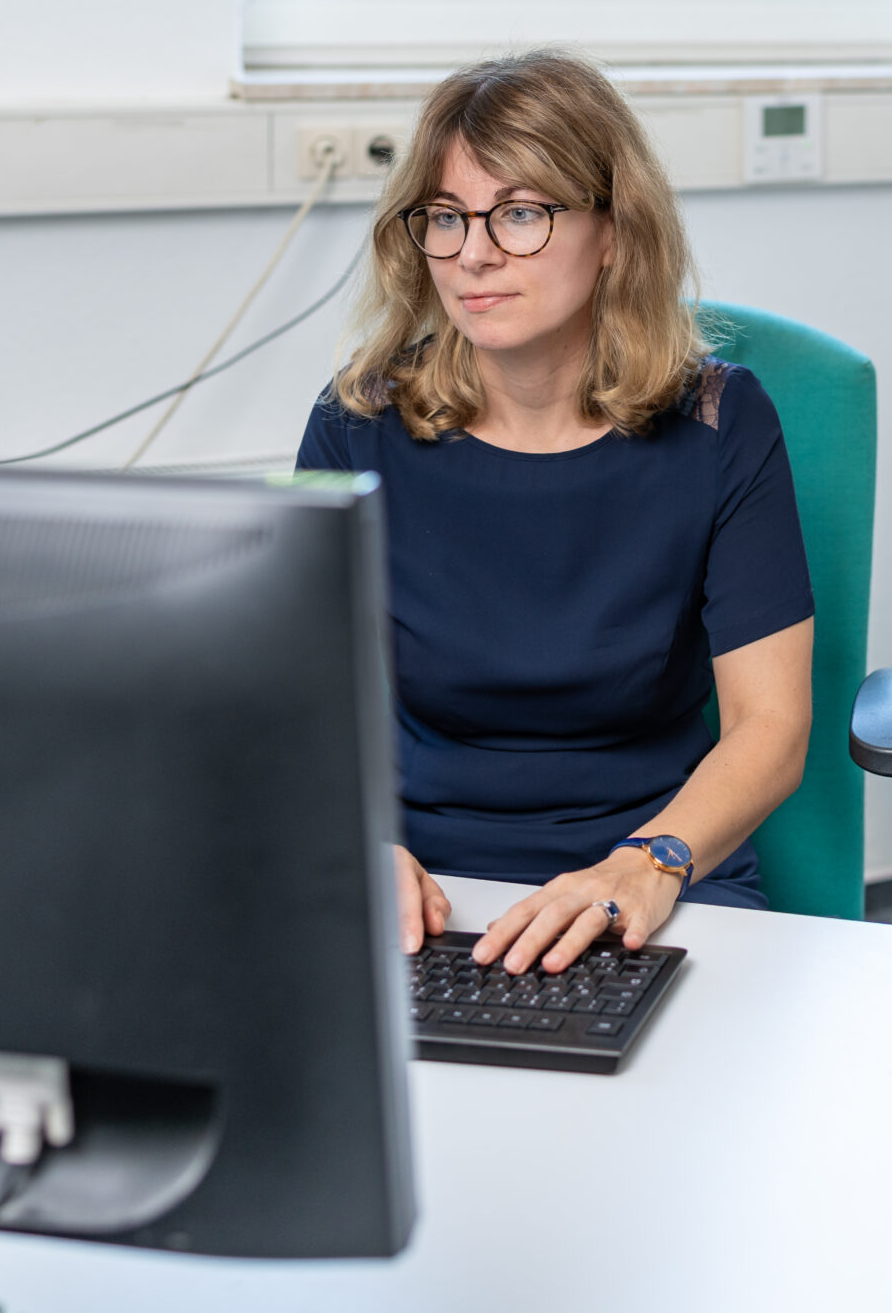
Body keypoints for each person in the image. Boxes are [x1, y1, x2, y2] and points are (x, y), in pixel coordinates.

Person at [297, 49, 815, 977]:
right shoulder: (355, 425)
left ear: (613, 231)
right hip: (426, 888)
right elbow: (299, 707)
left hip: (655, 878)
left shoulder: (720, 422)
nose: (473, 253)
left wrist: (648, 863)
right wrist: (349, 841)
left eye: (521, 212)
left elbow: (770, 728)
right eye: (446, 216)